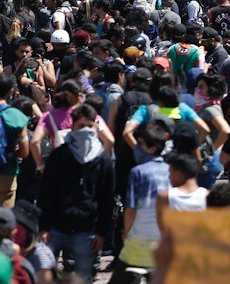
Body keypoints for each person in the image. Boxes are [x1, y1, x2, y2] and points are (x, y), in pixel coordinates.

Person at [36, 103, 114, 281]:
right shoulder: (60, 156)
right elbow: (47, 192)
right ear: (72, 126)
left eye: (90, 126)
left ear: (96, 126)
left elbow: (106, 198)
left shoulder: (103, 160)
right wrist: (44, 226)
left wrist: (101, 232)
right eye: (81, 126)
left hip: (87, 230)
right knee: (46, 275)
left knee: (84, 277)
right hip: (56, 226)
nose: (86, 131)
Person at [112, 122, 172, 282]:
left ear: (152, 148)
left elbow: (131, 208)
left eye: (140, 144)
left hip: (139, 237)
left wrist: (126, 231)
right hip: (162, 237)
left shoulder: (138, 172)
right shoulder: (170, 170)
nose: (137, 148)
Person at [0, 74, 29, 207]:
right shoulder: (17, 116)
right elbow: (24, 152)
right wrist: (11, 154)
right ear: (11, 91)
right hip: (7, 171)